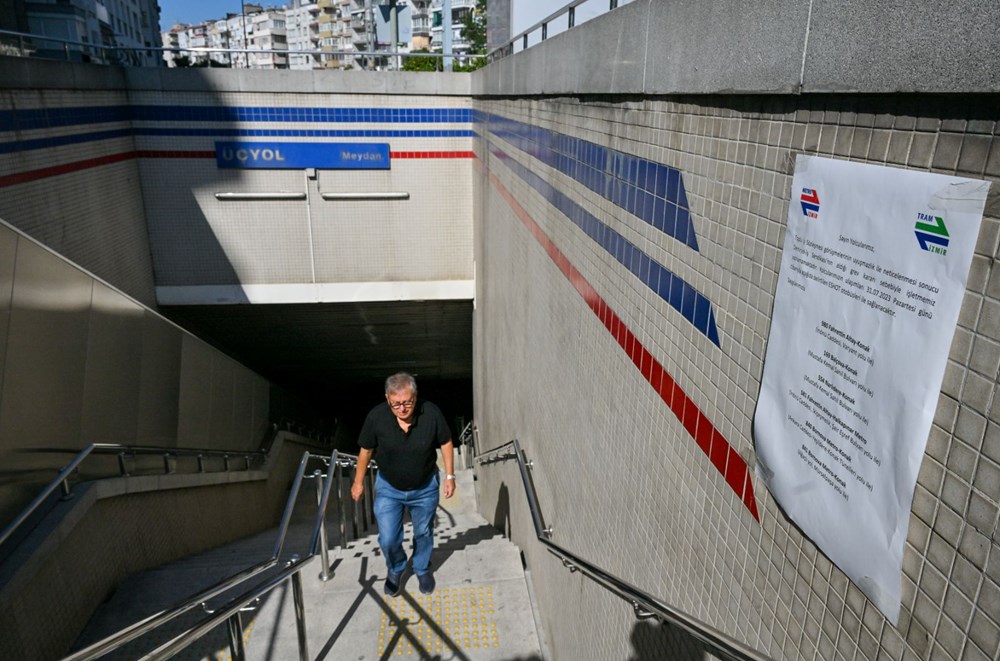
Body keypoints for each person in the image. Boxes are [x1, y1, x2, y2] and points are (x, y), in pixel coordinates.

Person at [351, 372, 456, 596]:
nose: (402, 408)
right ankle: (396, 567)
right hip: (389, 488)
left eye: (408, 402)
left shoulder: (431, 413)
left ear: (416, 397)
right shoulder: (376, 417)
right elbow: (366, 450)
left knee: (423, 532)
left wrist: (450, 476)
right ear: (387, 398)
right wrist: (358, 482)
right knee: (388, 537)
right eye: (396, 403)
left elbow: (446, 442)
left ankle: (421, 568)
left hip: (425, 487)